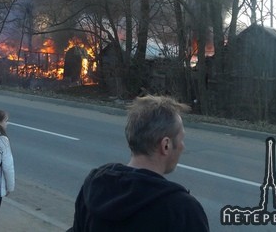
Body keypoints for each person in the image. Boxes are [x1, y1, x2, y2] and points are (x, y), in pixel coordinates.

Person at [70, 95, 210, 232]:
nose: (183, 146)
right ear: (165, 145)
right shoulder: (181, 210)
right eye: (181, 138)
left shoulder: (95, 188)